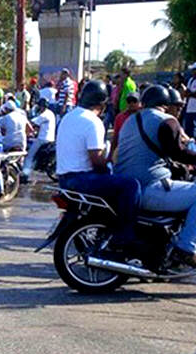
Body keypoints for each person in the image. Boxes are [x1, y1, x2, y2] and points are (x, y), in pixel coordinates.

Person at [114, 85, 196, 265]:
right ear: (165, 104)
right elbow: (178, 153)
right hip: (149, 188)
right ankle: (186, 248)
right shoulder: (167, 121)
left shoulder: (130, 120)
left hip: (125, 186)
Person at [56, 79, 140, 248]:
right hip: (81, 179)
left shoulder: (68, 116)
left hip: (63, 179)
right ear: (102, 103)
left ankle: (106, 229)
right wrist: (109, 166)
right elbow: (96, 160)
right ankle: (124, 236)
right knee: (131, 185)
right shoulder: (93, 122)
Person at [21, 98, 56, 182]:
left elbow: (31, 123)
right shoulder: (50, 113)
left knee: (29, 156)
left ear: (42, 106)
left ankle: (25, 175)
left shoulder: (44, 115)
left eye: (40, 106)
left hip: (43, 139)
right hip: (49, 138)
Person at [183, 67, 196, 137]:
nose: (193, 72)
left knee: (194, 129)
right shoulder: (190, 80)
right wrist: (191, 94)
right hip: (189, 108)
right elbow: (186, 93)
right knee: (188, 128)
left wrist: (190, 94)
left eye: (194, 70)